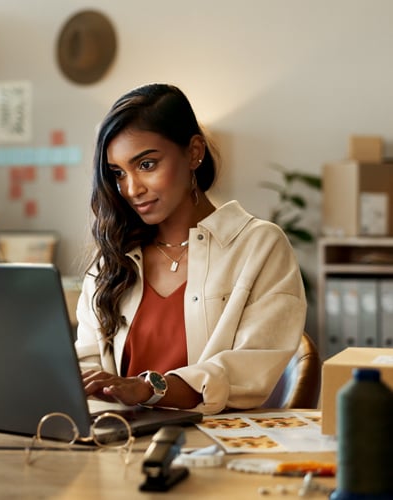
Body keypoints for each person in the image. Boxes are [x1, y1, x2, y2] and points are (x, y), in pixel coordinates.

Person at [76, 83, 307, 415]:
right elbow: (87, 367)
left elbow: (250, 369)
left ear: (194, 153)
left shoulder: (260, 246)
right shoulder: (112, 259)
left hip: (214, 448)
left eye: (146, 165)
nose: (131, 189)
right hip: (119, 445)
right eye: (118, 173)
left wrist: (149, 389)